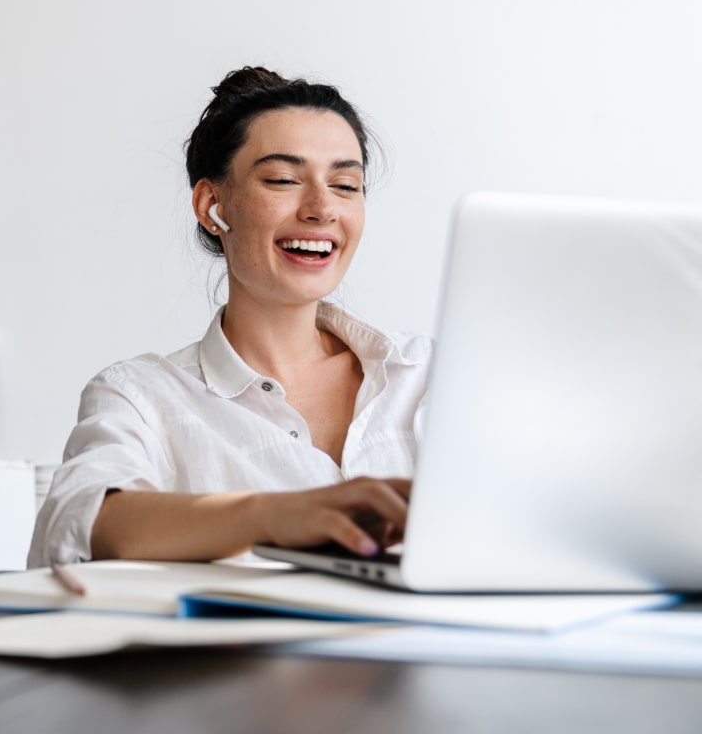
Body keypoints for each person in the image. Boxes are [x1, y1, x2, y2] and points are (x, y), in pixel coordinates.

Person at [29, 66, 431, 568]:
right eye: (284, 179)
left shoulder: (431, 376)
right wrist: (274, 516)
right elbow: (82, 524)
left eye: (346, 185)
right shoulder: (141, 396)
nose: (322, 208)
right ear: (212, 205)